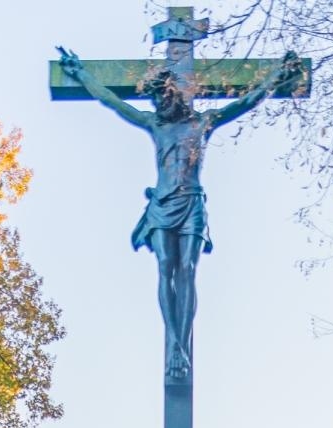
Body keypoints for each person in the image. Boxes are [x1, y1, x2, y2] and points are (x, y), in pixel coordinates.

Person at [57, 48, 304, 380]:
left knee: (186, 268)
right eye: (158, 97)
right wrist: (82, 74)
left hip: (191, 203)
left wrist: (277, 76)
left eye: (165, 94)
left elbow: (247, 101)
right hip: (162, 205)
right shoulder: (155, 125)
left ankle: (181, 347)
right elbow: (112, 101)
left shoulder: (203, 122)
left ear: (180, 93)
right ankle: (175, 342)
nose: (161, 101)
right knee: (164, 267)